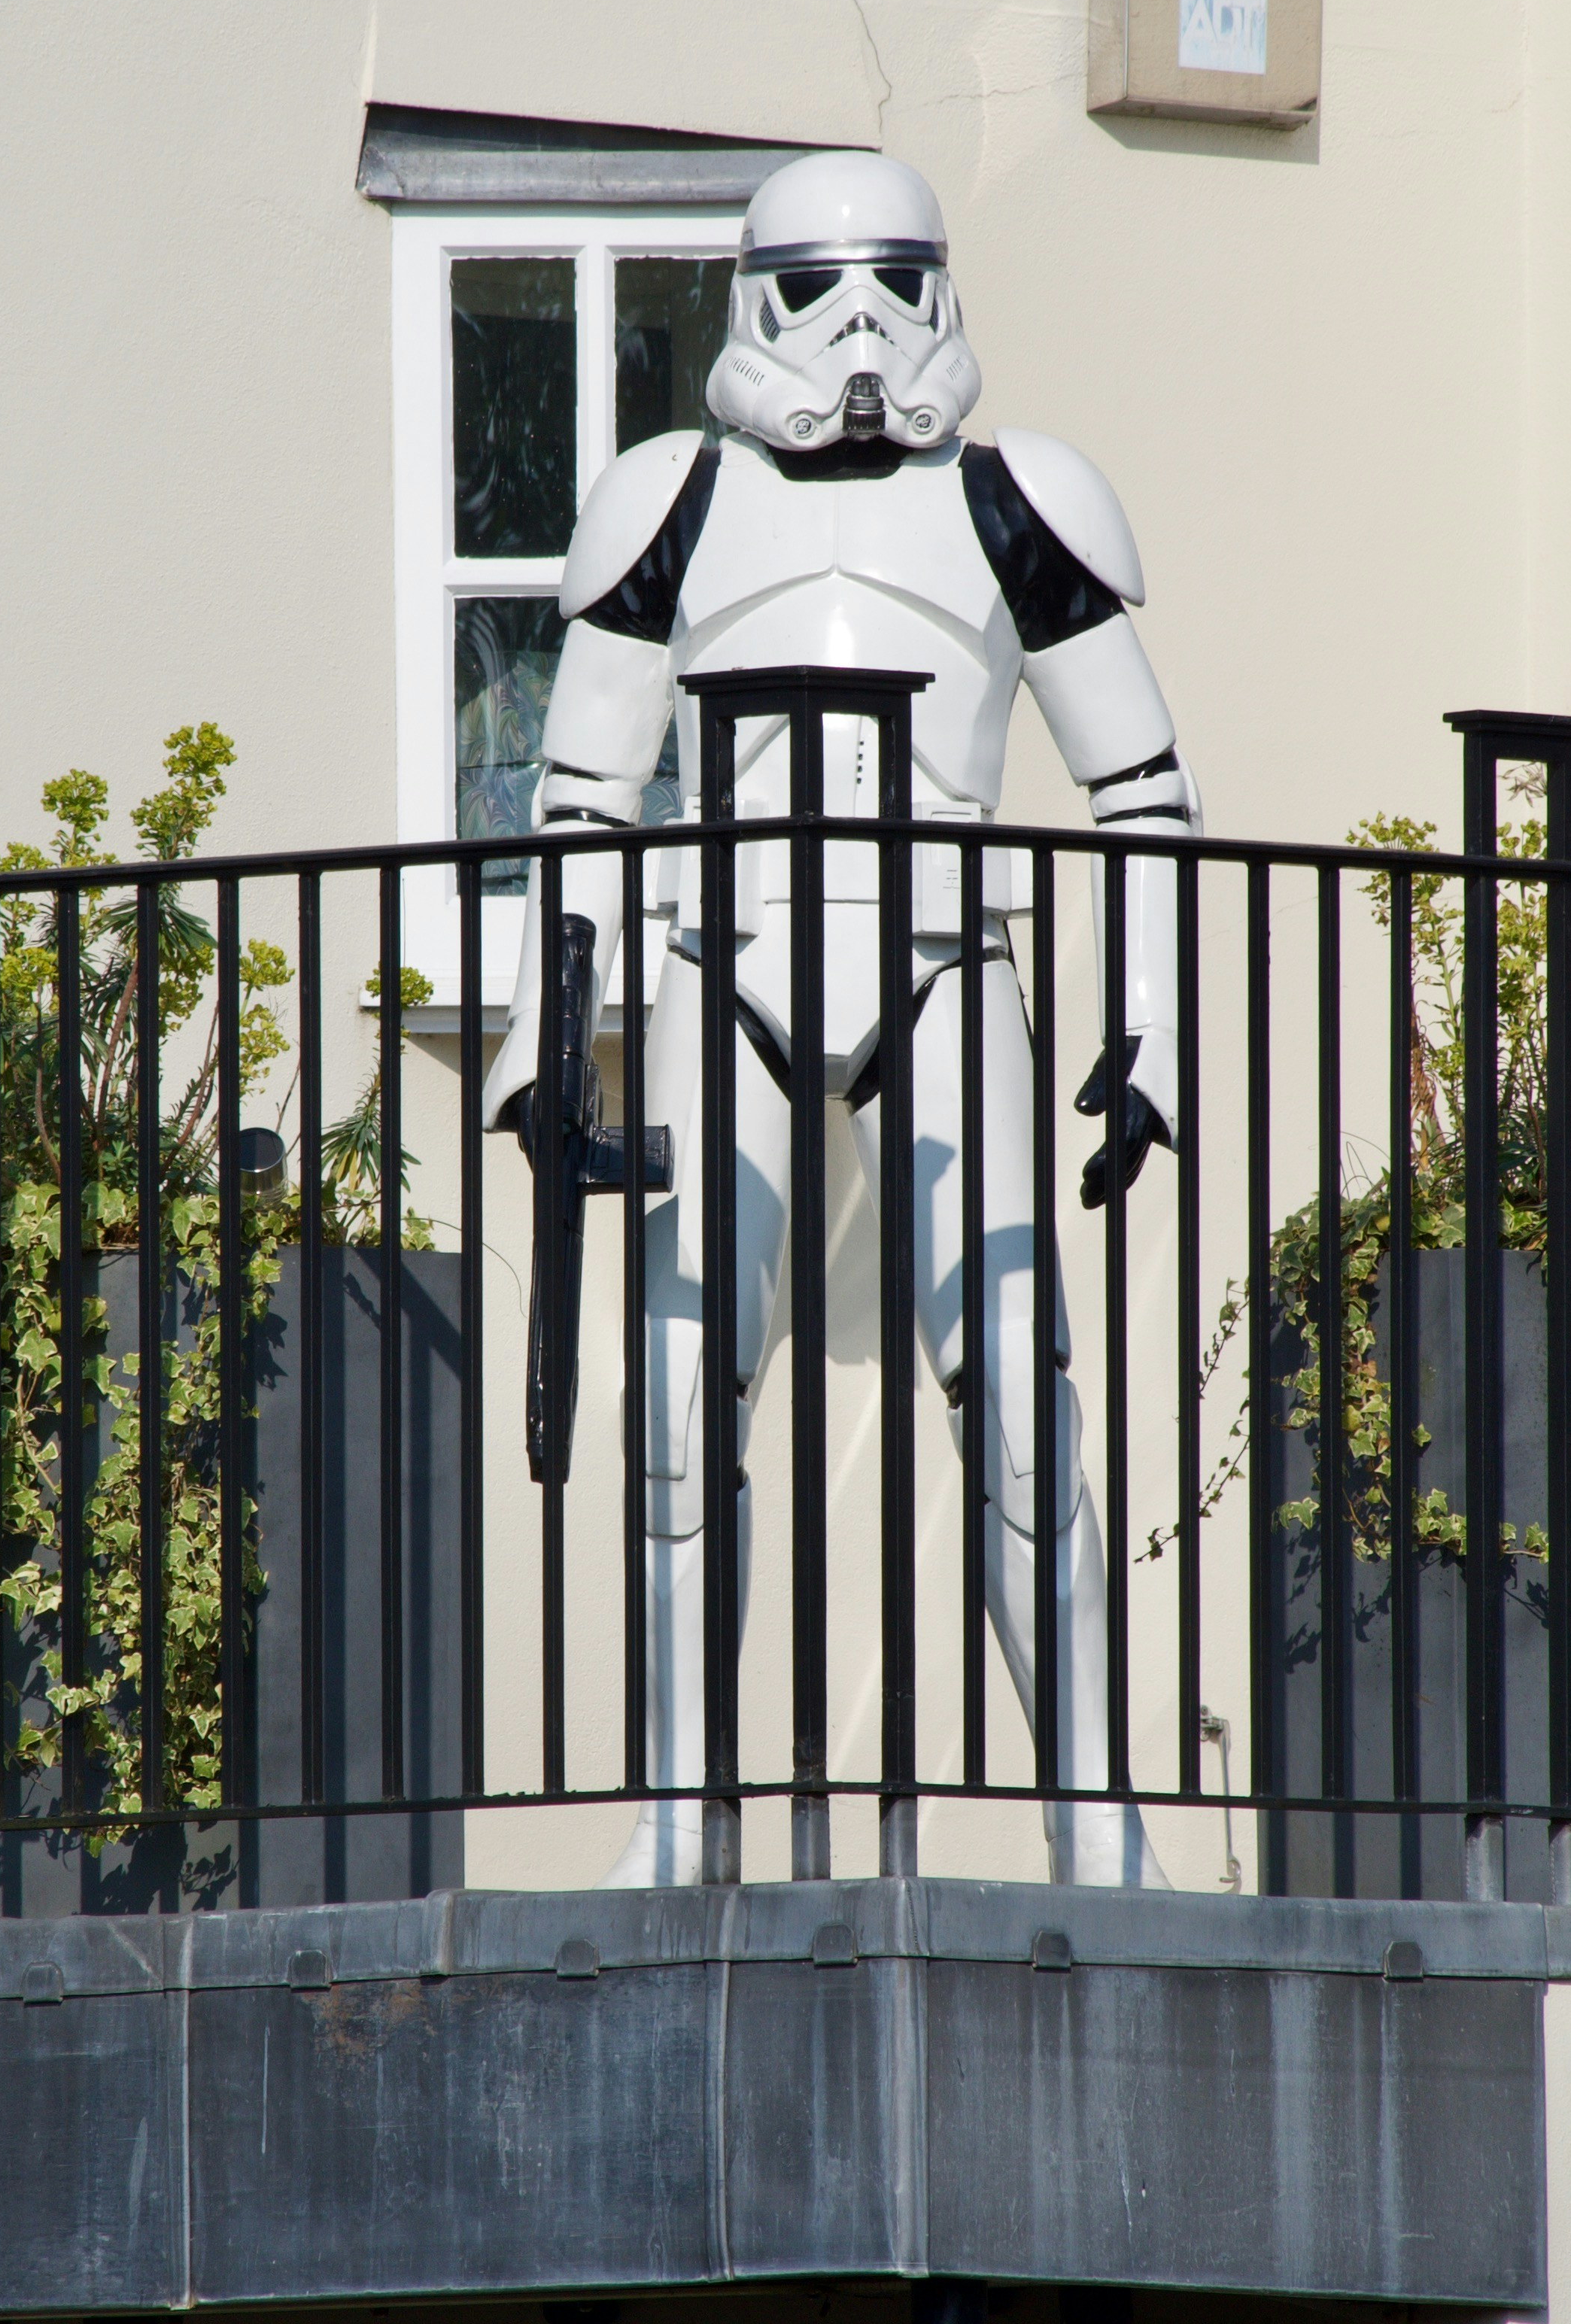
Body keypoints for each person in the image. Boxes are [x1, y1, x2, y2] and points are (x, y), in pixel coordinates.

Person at [487, 151, 1199, 1888]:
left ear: (944, 286)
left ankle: (1095, 1822)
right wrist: (538, 1027)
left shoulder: (1014, 495)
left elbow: (1146, 789)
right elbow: (582, 792)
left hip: (949, 955)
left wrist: (1156, 1020)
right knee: (673, 1405)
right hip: (715, 960)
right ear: (753, 294)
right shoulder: (667, 500)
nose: (859, 330)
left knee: (1024, 1405)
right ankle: (677, 1825)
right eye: (817, 290)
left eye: (894, 282)